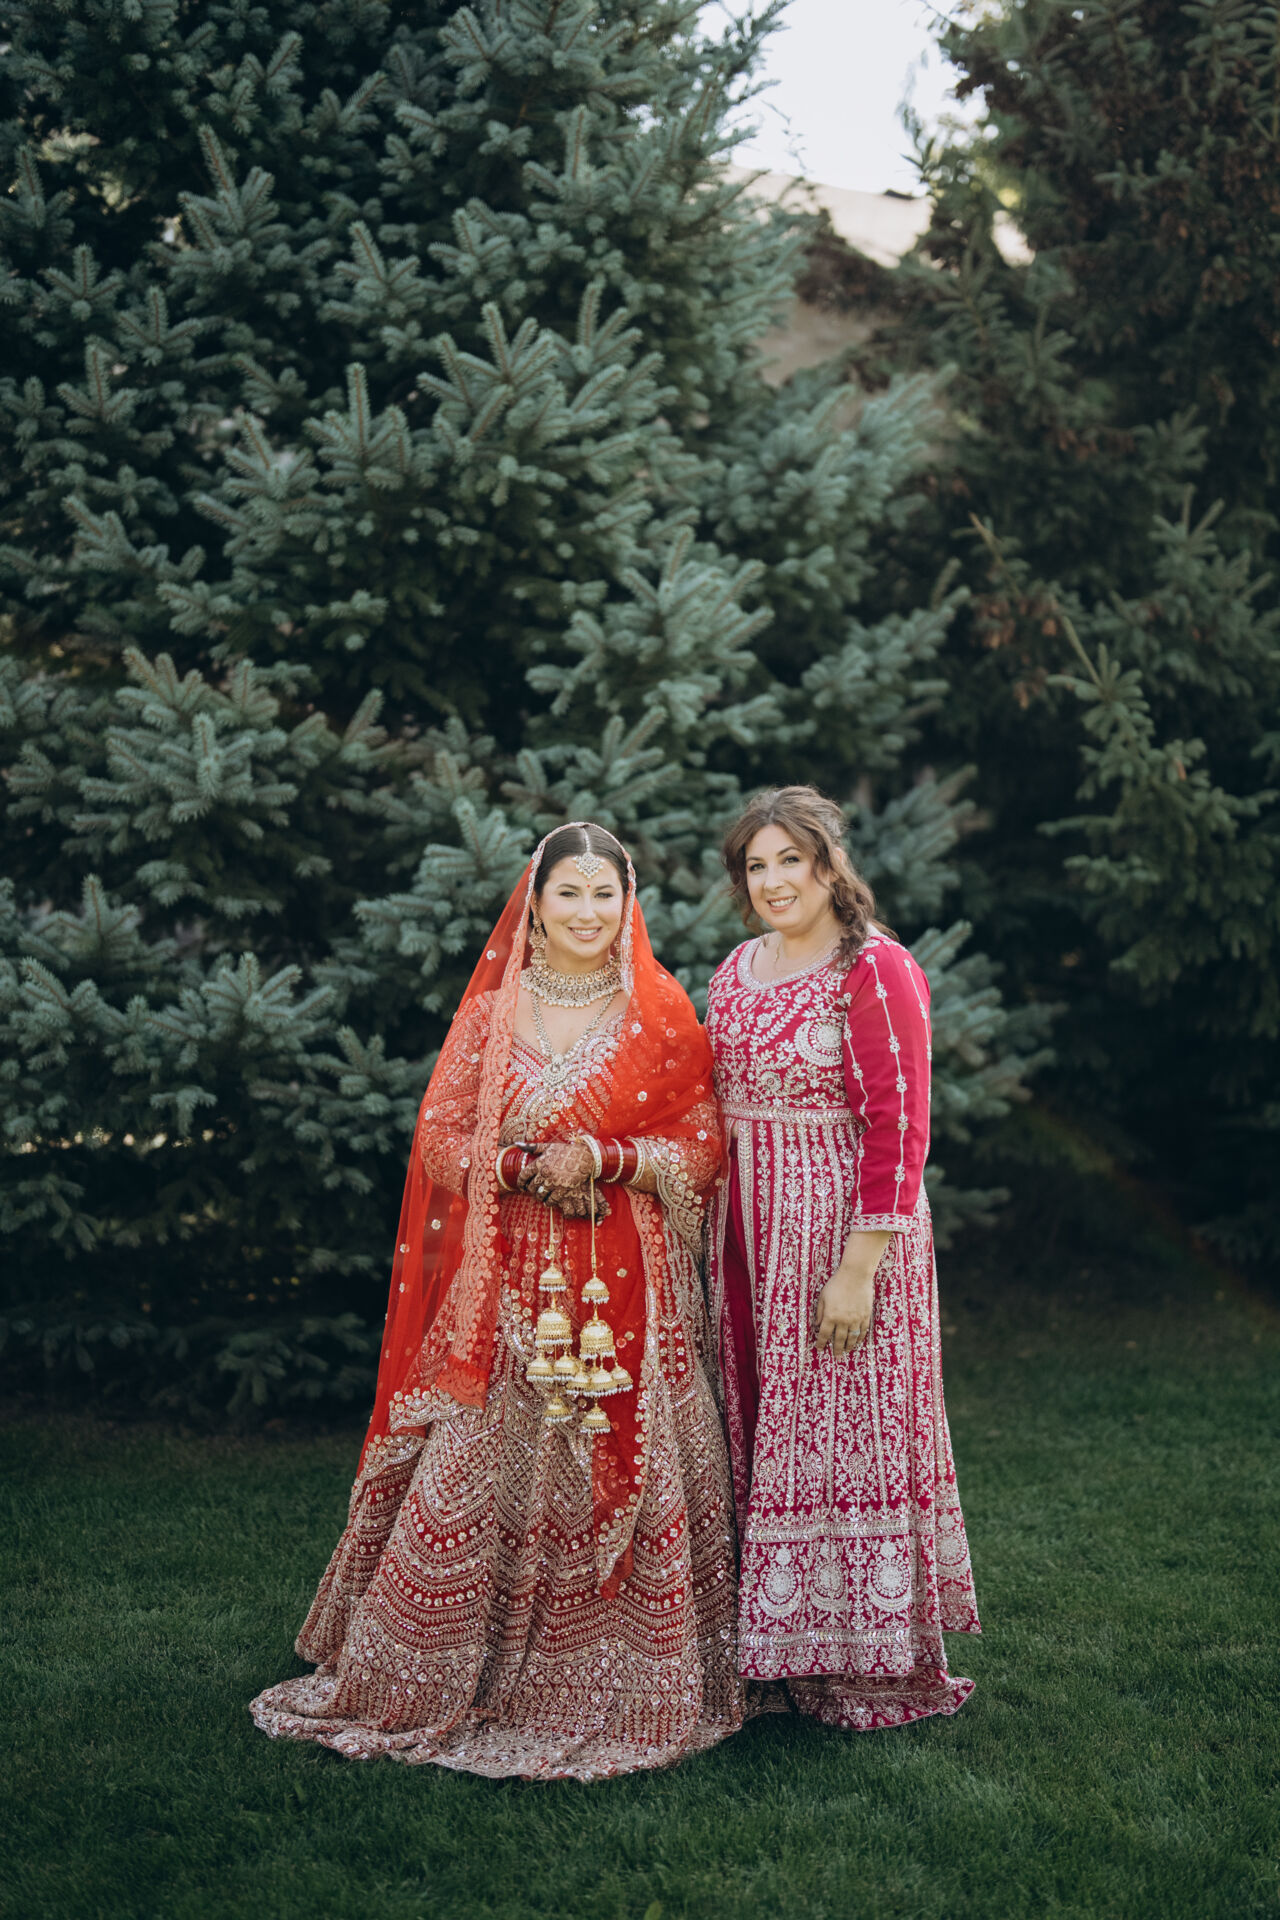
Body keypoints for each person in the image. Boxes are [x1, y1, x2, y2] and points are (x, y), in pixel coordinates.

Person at [251, 823, 741, 1780]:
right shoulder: (491, 1015)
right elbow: (440, 1138)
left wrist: (605, 1158)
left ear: (628, 903)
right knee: (473, 1458)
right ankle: (433, 1669)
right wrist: (522, 1168)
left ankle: (632, 1681)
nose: (589, 912)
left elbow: (702, 1142)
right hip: (509, 1282)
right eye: (570, 892)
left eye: (605, 893)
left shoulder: (659, 1009)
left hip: (626, 1282)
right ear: (537, 904)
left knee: (621, 1450)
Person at [705, 785, 980, 1731]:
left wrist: (857, 1270)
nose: (774, 880)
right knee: (762, 1423)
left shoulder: (875, 967)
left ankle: (860, 1660)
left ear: (829, 865)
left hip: (840, 1236)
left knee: (838, 1432)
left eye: (791, 859)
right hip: (744, 1236)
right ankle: (771, 1652)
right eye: (757, 865)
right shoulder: (736, 968)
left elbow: (900, 1127)